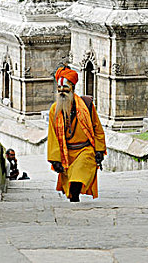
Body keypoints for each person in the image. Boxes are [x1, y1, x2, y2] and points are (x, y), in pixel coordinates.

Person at [47, 66, 106, 202]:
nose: (62, 93)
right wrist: (55, 159)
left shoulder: (87, 106)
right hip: (66, 152)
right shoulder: (54, 110)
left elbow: (97, 128)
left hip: (85, 150)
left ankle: (75, 199)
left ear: (72, 89)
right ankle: (74, 198)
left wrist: (99, 150)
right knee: (70, 182)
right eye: (59, 90)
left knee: (77, 177)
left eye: (65, 90)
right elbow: (53, 135)